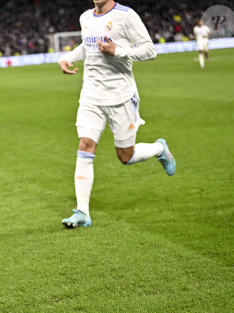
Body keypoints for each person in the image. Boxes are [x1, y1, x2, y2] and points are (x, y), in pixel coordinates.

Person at [57, 0, 176, 228]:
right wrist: (66, 58)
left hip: (121, 97)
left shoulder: (126, 15)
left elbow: (150, 50)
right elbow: (86, 46)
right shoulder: (86, 17)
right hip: (91, 95)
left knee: (126, 156)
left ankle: (160, 148)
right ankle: (82, 211)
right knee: (85, 145)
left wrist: (119, 51)